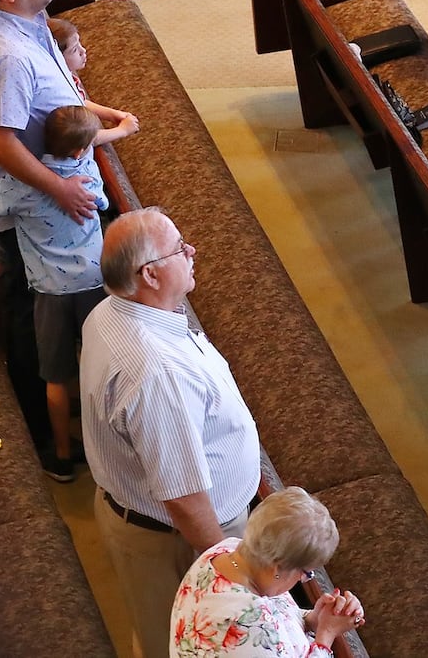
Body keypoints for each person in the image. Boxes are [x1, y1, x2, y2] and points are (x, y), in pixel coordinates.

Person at [82, 208, 262, 658]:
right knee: (181, 645)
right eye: (181, 248)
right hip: (175, 542)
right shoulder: (155, 372)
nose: (192, 251)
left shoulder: (108, 311)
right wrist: (224, 569)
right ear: (150, 274)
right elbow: (182, 496)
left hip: (149, 522)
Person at [0, 0, 85, 455]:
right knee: (31, 323)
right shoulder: (6, 56)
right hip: (27, 214)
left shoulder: (23, 24)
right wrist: (61, 187)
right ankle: (41, 435)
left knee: (39, 317)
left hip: (39, 203)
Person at [0, 103, 106, 481]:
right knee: (94, 371)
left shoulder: (22, 183)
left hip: (50, 291)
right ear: (80, 150)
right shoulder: (87, 171)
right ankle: (98, 448)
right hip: (94, 283)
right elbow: (102, 204)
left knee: (55, 377)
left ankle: (61, 454)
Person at [170, 487, 364, 658]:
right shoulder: (248, 627)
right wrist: (327, 634)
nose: (303, 580)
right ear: (278, 567)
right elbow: (262, 627)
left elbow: (276, 614)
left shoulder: (228, 550)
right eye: (306, 573)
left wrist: (313, 619)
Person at [47, 17, 141, 145]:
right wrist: (122, 130)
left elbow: (80, 101)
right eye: (74, 50)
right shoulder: (60, 97)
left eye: (79, 43)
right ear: (56, 59)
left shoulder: (62, 77)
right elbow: (84, 139)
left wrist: (112, 114)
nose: (83, 50)